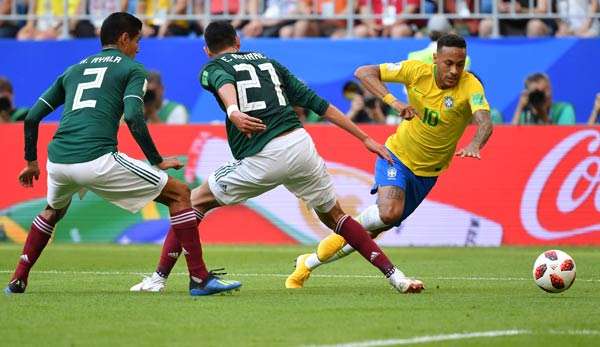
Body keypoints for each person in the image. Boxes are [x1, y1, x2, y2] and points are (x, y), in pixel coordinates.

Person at [131, 21, 424, 294]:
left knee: (190, 202)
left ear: (207, 50)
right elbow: (318, 104)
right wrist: (366, 138)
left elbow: (222, 80)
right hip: (300, 146)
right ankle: (395, 275)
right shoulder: (268, 62)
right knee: (337, 217)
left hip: (264, 155)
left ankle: (159, 279)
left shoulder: (212, 66)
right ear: (238, 40)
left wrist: (233, 111)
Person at [4, 12, 240, 297]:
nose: (139, 47)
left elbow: (31, 118)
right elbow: (133, 116)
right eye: (137, 39)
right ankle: (200, 278)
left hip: (58, 160)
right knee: (180, 193)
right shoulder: (131, 68)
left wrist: (31, 162)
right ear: (124, 38)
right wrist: (157, 160)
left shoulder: (74, 70)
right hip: (96, 158)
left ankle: (18, 280)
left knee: (53, 211)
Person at [286, 34, 493, 289]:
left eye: (459, 64)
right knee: (389, 213)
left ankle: (307, 265)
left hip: (427, 174)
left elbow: (484, 120)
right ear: (435, 58)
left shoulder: (470, 85)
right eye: (448, 63)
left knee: (367, 234)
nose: (454, 70)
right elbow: (364, 72)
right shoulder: (416, 71)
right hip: (396, 156)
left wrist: (475, 144)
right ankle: (346, 233)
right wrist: (393, 101)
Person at [511, 73, 576, 125]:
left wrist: (544, 117)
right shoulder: (525, 115)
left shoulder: (563, 110)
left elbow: (563, 139)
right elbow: (511, 138)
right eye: (536, 93)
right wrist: (519, 108)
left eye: (546, 90)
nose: (546, 95)